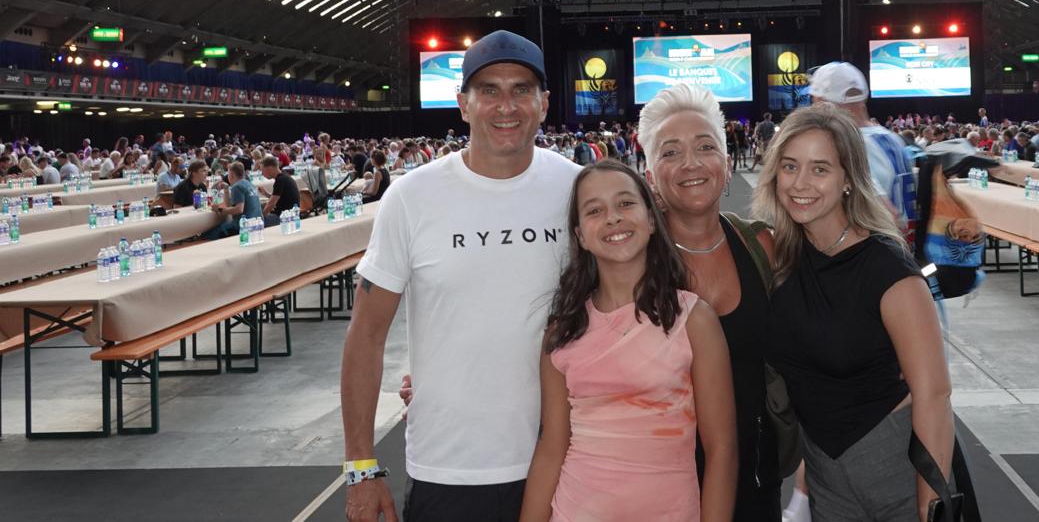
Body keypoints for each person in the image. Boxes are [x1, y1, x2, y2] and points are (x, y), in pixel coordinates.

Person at [340, 31, 580, 522]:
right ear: (463, 105)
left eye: (521, 89)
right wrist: (361, 467)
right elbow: (366, 334)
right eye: (488, 90)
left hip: (571, 457)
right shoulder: (412, 197)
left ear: (544, 103)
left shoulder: (577, 189)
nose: (506, 105)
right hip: (451, 467)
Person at [757, 105, 953, 522]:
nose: (800, 183)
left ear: (848, 179)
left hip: (893, 462)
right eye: (790, 166)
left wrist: (931, 504)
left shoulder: (887, 268)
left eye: (820, 169)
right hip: (825, 470)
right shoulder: (784, 257)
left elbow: (934, 393)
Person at [520, 161, 736, 521]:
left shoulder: (694, 320)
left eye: (625, 204)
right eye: (594, 210)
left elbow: (722, 449)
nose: (613, 218)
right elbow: (551, 449)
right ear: (580, 236)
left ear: (651, 221)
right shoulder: (561, 332)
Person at [638, 83, 786, 521]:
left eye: (705, 146)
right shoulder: (627, 261)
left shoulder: (762, 246)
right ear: (649, 175)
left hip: (755, 474)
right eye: (670, 152)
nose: (691, 163)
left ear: (725, 162)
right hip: (654, 483)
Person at [807, 62, 917, 237]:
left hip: (878, 252)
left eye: (815, 100)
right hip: (904, 248)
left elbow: (886, 213)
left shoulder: (851, 144)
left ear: (826, 104)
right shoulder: (894, 139)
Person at [200, 161, 262, 239]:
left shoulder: (237, 186)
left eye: (228, 174)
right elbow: (229, 205)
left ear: (231, 174)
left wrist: (219, 209)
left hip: (243, 226)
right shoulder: (250, 184)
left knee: (205, 235)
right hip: (257, 223)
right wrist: (226, 190)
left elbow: (239, 209)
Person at [260, 155, 299, 225]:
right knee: (261, 206)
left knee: (253, 223)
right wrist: (265, 193)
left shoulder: (280, 180)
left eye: (263, 170)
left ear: (270, 168)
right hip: (290, 213)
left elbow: (271, 203)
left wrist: (260, 218)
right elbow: (280, 198)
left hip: (285, 217)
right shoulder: (284, 176)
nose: (262, 173)